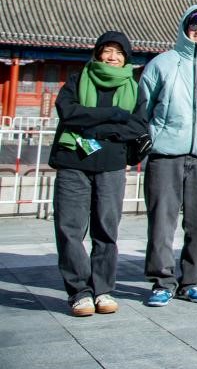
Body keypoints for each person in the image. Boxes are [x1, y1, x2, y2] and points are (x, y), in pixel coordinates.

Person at [50, 31, 149, 317]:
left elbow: (137, 127)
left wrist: (93, 125)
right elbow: (68, 112)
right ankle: (79, 292)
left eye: (119, 52)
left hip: (111, 165)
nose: (112, 57)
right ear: (97, 53)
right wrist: (115, 115)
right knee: (70, 228)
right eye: (107, 50)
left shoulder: (134, 88)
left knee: (106, 229)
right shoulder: (78, 80)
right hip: (74, 162)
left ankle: (103, 289)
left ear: (126, 58)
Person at [139, 6, 197, 306]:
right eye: (194, 23)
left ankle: (192, 281)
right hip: (166, 152)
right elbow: (144, 106)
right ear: (184, 27)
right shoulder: (162, 64)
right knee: (161, 221)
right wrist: (152, 137)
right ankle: (162, 281)